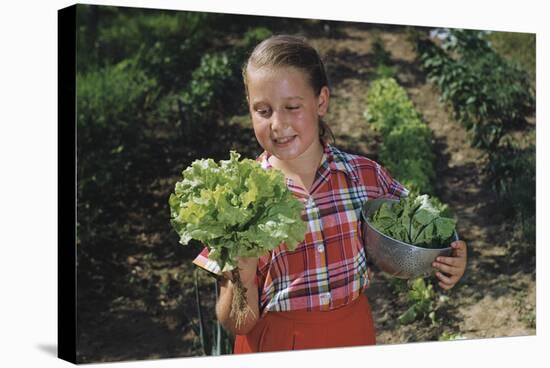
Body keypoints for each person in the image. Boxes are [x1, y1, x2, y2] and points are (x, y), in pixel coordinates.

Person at [193, 34, 467, 353]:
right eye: (263, 111)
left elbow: (425, 237)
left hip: (353, 335)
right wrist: (244, 266)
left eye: (292, 107)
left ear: (321, 101)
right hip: (276, 344)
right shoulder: (238, 199)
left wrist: (450, 258)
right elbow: (237, 323)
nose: (278, 124)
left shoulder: (366, 176)